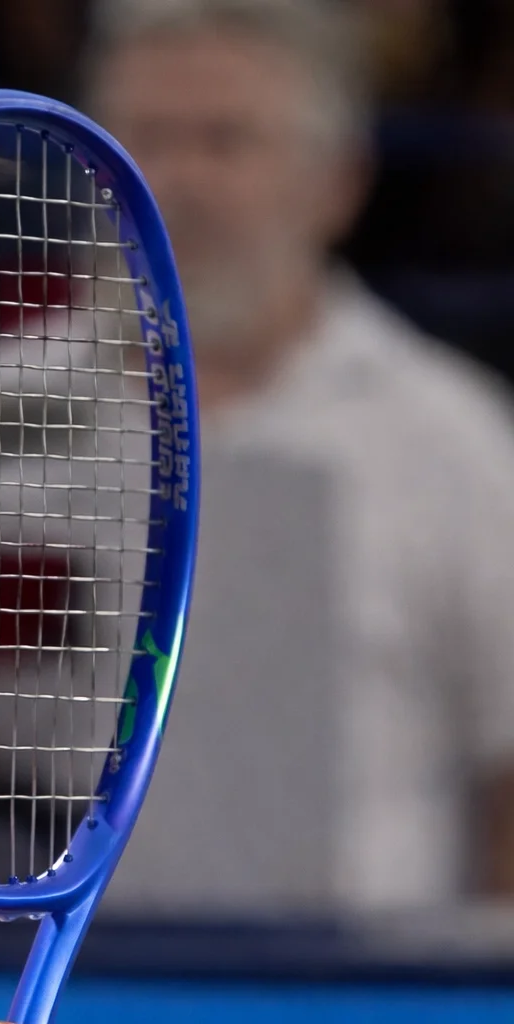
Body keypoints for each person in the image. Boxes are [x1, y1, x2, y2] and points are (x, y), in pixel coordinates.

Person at [83, 0, 514, 912]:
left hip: (360, 971)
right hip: (46, 968)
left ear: (338, 182)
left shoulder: (455, 445)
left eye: (226, 140)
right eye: (149, 139)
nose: (182, 180)